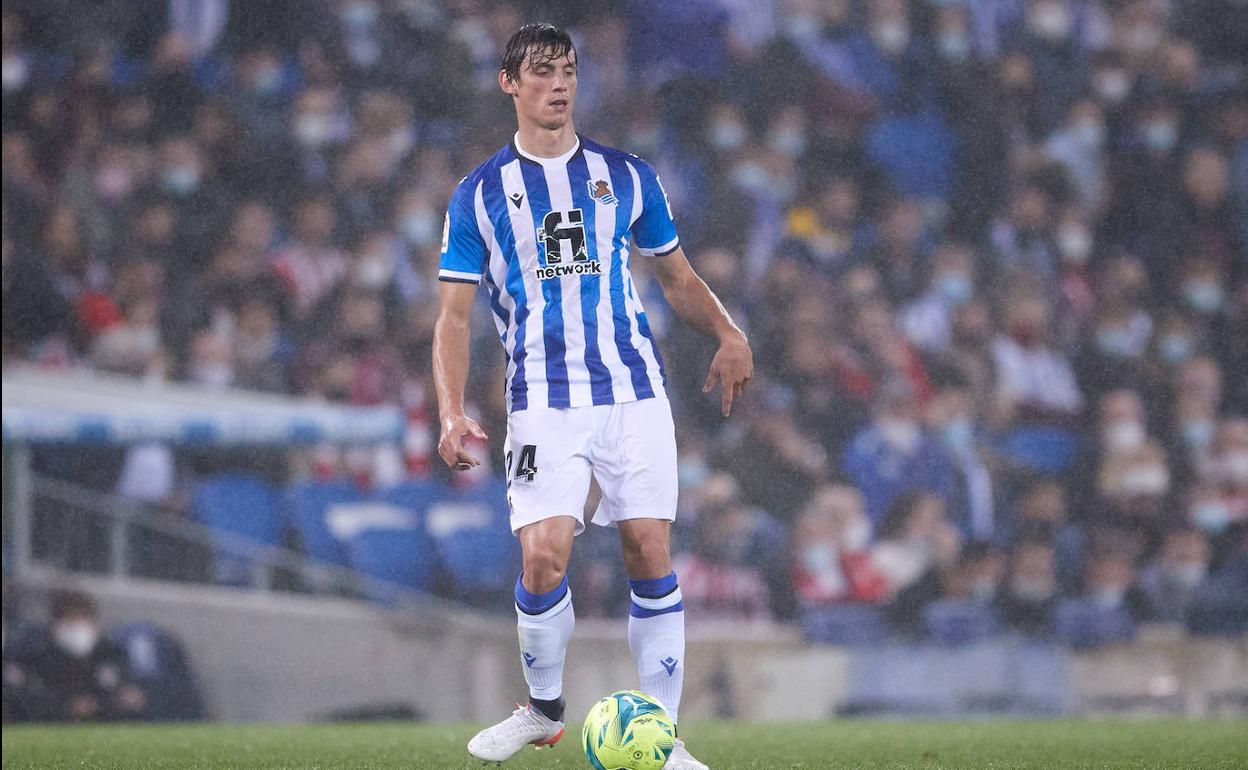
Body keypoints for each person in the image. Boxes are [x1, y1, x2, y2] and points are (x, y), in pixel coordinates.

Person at [432, 24, 751, 769]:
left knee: (649, 549)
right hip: (542, 398)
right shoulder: (479, 195)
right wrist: (450, 408)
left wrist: (730, 332)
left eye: (568, 70)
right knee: (543, 556)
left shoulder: (627, 176)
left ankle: (663, 744)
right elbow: (452, 315)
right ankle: (543, 713)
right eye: (542, 71)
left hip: (634, 391)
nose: (559, 83)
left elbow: (677, 277)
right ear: (509, 83)